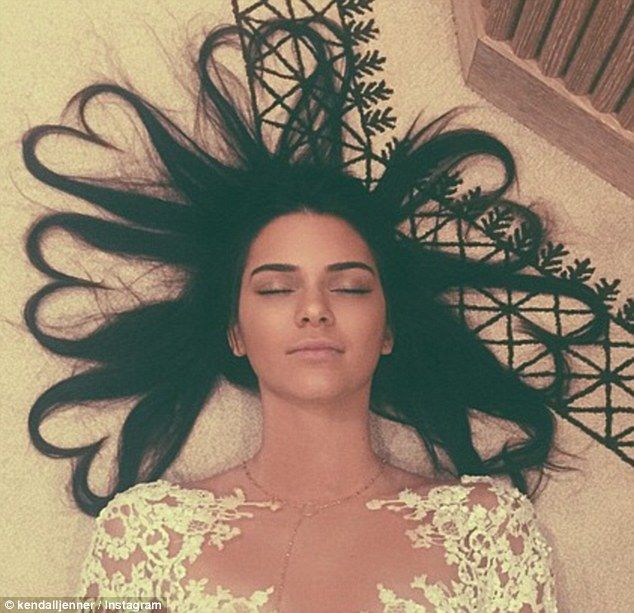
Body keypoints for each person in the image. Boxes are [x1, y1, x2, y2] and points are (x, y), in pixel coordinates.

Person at [22, 15, 604, 612]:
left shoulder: (489, 534)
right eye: (275, 289)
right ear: (235, 332)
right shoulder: (145, 536)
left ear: (388, 329)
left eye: (350, 287)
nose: (314, 310)